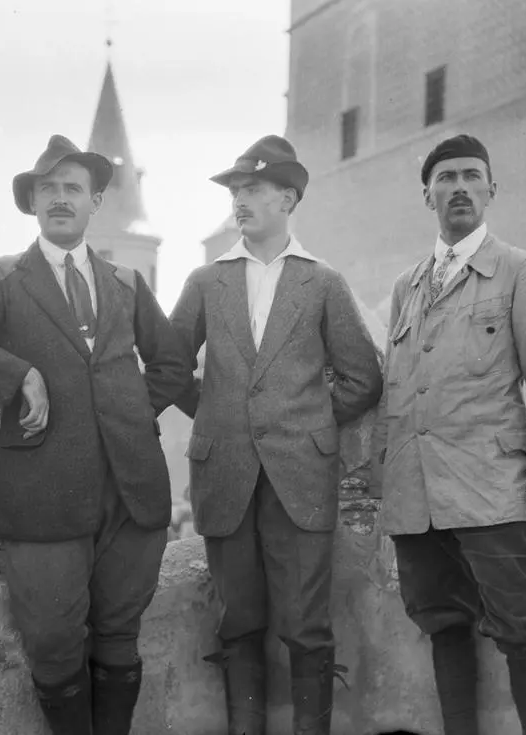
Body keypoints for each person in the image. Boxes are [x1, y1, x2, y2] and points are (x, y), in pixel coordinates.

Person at [0, 134, 191, 735]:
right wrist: (20, 373)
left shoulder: (125, 283)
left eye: (72, 188)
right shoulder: (0, 277)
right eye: (47, 189)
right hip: (44, 493)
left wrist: (124, 411)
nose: (59, 198)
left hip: (132, 491)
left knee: (120, 631)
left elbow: (171, 364)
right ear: (33, 204)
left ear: (95, 201)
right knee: (53, 638)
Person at [169, 135, 383, 735]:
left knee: (307, 623)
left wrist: (306, 423)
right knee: (237, 619)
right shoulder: (206, 281)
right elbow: (167, 368)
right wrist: (217, 415)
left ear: (288, 197)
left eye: (254, 189)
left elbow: (362, 377)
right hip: (225, 474)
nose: (240, 200)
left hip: (302, 477)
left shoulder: (322, 283)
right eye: (236, 191)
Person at [370, 134, 526, 735]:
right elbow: (397, 393)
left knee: (521, 630)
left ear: (491, 189)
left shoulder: (519, 271)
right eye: (446, 178)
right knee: (443, 624)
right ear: (427, 194)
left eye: (471, 176)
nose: (459, 187)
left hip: (493, 493)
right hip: (418, 502)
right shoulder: (408, 286)